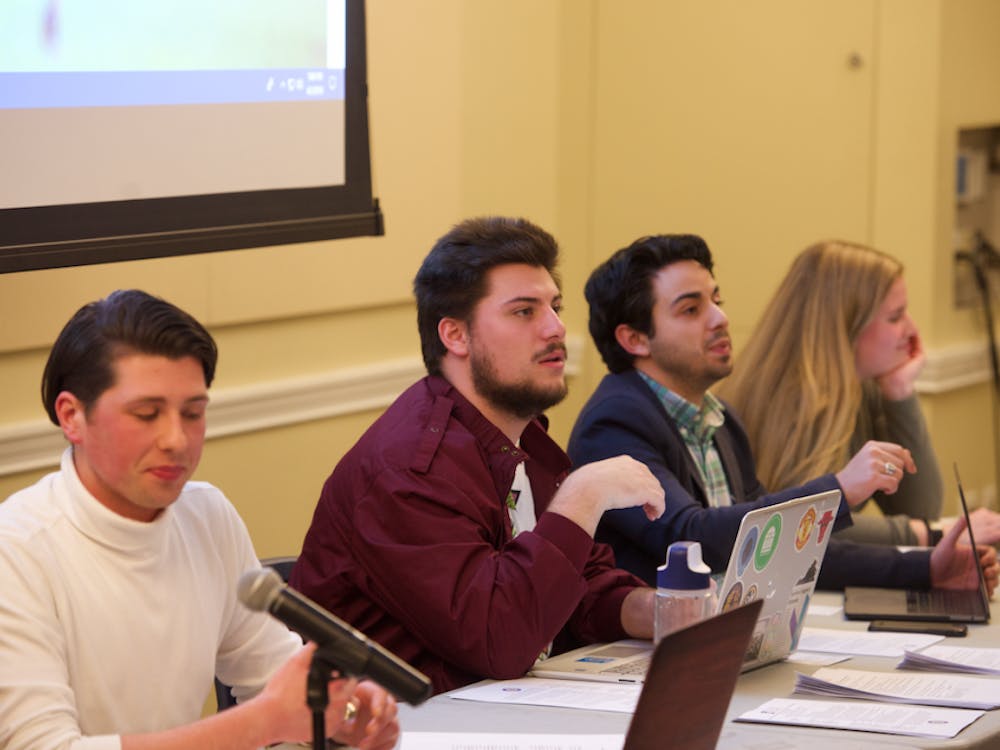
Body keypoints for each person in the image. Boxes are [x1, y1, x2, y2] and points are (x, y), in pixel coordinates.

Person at [0, 290, 399, 750]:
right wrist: (265, 720)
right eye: (146, 414)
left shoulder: (205, 515)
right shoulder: (18, 549)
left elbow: (273, 677)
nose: (176, 439)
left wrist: (344, 716)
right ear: (72, 416)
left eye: (193, 413)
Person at [291, 216, 665, 695]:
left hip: (496, 712)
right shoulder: (408, 470)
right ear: (456, 336)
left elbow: (571, 587)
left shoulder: (518, 436)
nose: (556, 328)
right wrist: (582, 497)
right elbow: (499, 638)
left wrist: (658, 611)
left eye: (555, 306)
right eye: (524, 312)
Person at [568, 234, 998, 593]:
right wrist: (838, 492)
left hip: (724, 634)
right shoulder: (616, 422)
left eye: (716, 300)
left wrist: (927, 571)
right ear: (635, 339)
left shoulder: (721, 421)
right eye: (692, 309)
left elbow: (783, 548)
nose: (721, 318)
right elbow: (689, 537)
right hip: (640, 656)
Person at [719, 239, 1000, 546]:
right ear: (845, 327)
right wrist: (929, 534)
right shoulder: (798, 401)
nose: (910, 330)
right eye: (895, 317)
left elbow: (920, 507)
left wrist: (899, 391)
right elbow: (805, 528)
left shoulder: (860, 387)